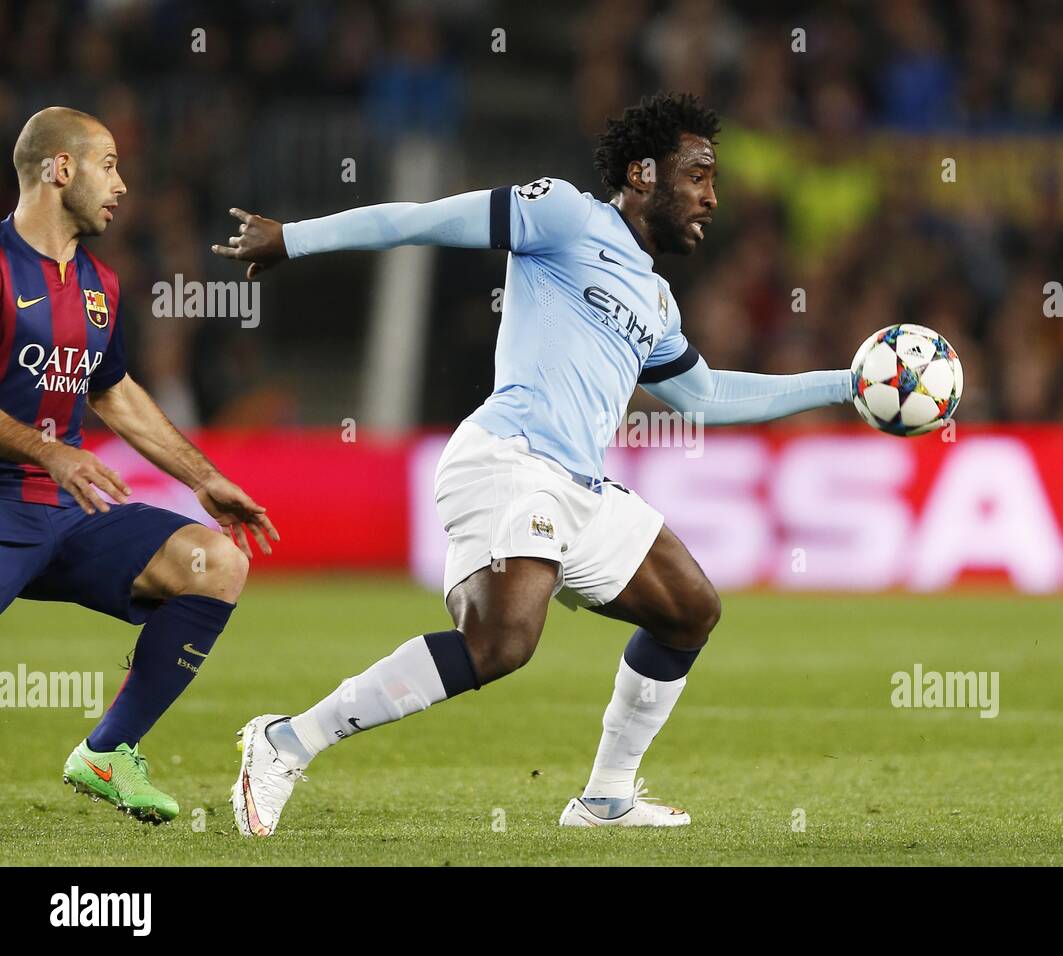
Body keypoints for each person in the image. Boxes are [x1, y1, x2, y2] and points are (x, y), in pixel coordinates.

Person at [213, 92, 853, 835]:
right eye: (699, 174)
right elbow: (419, 219)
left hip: (579, 486)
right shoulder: (563, 214)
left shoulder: (657, 300)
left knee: (689, 611)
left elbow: (706, 397)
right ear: (643, 173)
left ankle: (607, 797)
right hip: (511, 459)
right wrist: (294, 238)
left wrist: (845, 387)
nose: (712, 196)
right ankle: (285, 740)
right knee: (502, 644)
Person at [0, 107, 278, 823]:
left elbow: (113, 393)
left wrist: (203, 477)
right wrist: (47, 448)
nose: (122, 184)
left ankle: (106, 751)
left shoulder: (100, 287)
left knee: (215, 563)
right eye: (110, 164)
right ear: (60, 169)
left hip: (66, 511)